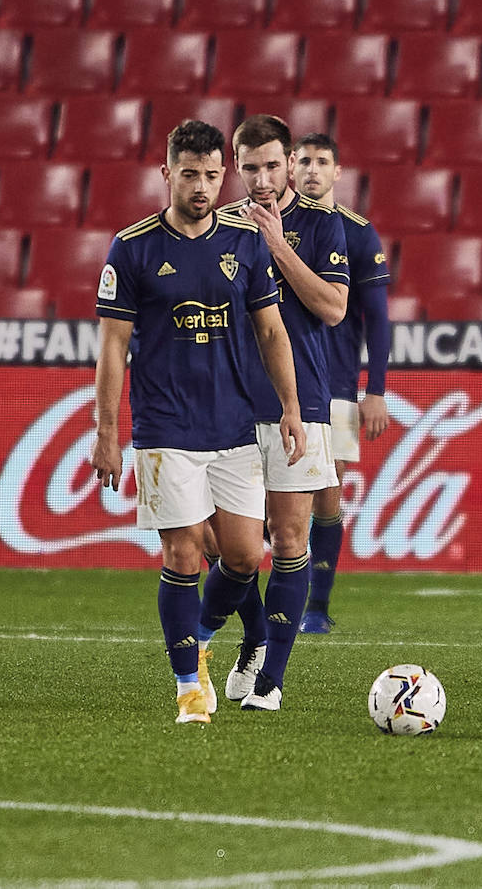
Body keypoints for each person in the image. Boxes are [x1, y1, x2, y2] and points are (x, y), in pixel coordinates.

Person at [91, 119, 305, 725]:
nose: (204, 187)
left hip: (234, 427)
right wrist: (105, 432)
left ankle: (202, 638)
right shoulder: (132, 248)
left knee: (243, 558)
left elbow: (270, 330)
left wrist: (289, 407)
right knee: (183, 555)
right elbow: (112, 349)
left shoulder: (243, 243)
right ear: (167, 174)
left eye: (214, 175)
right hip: (165, 430)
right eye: (191, 175)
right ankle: (189, 685)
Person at [196, 114, 350, 712]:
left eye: (272, 165)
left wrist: (275, 241)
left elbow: (333, 308)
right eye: (250, 167)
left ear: (292, 163)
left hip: (301, 402)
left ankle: (270, 680)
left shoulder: (323, 225)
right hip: (228, 405)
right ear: (235, 166)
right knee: (225, 548)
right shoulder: (214, 229)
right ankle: (255, 637)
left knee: (289, 539)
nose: (261, 179)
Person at [290, 132, 392, 635]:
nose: (312, 169)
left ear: (337, 172)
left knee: (326, 496)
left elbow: (378, 320)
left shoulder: (358, 233)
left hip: (337, 390)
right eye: (304, 160)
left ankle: (315, 606)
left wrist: (376, 389)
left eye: (322, 161)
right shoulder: (269, 228)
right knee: (275, 505)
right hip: (273, 388)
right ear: (291, 167)